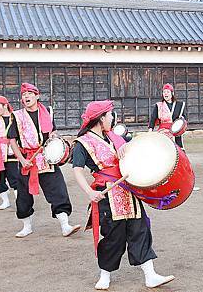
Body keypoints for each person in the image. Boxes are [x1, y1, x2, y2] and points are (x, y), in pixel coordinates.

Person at [72, 100, 174, 290]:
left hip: (128, 190)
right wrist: (90, 192)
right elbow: (77, 170)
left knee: (140, 230)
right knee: (113, 237)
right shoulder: (83, 143)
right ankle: (105, 275)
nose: (113, 118)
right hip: (107, 196)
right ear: (101, 118)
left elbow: (135, 150)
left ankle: (150, 275)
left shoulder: (114, 137)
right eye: (110, 115)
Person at [8, 82, 80, 238]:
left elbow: (52, 131)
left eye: (29, 94)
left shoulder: (47, 112)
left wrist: (54, 137)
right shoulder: (17, 116)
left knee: (58, 191)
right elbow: (12, 140)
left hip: (47, 159)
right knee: (23, 196)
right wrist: (21, 159)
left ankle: (65, 225)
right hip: (28, 159)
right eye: (23, 94)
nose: (26, 96)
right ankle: (27, 226)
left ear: (37, 96)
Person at [148, 83, 199, 192]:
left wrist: (180, 126)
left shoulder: (180, 105)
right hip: (163, 133)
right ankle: (161, 183)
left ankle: (188, 183)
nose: (166, 94)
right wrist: (150, 131)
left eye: (168, 92)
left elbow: (183, 119)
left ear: (172, 93)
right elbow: (152, 119)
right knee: (163, 158)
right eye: (164, 92)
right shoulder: (159, 106)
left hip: (176, 133)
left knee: (181, 157)